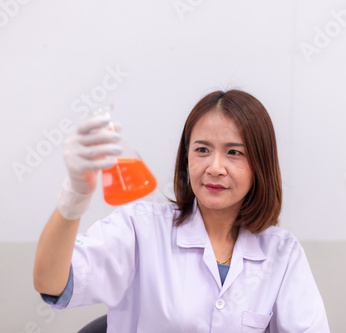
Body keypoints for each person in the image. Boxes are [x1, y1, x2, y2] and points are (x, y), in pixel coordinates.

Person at [33, 90, 330, 332]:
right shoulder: (140, 229)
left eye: (234, 152)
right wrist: (74, 198)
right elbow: (51, 283)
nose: (215, 167)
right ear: (186, 157)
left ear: (260, 165)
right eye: (202, 150)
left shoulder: (282, 253)